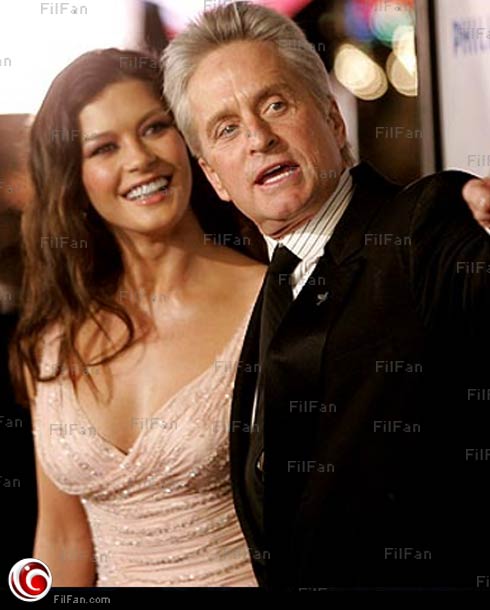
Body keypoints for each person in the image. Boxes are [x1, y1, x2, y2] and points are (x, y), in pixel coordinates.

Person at [162, 2, 490, 590]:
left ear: (334, 120)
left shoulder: (424, 225)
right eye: (227, 128)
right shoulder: (273, 287)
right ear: (214, 177)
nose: (258, 138)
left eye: (275, 104)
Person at [9, 48, 265, 587]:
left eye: (154, 128)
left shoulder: (271, 303)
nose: (140, 159)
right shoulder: (53, 340)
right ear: (74, 178)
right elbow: (62, 539)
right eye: (104, 147)